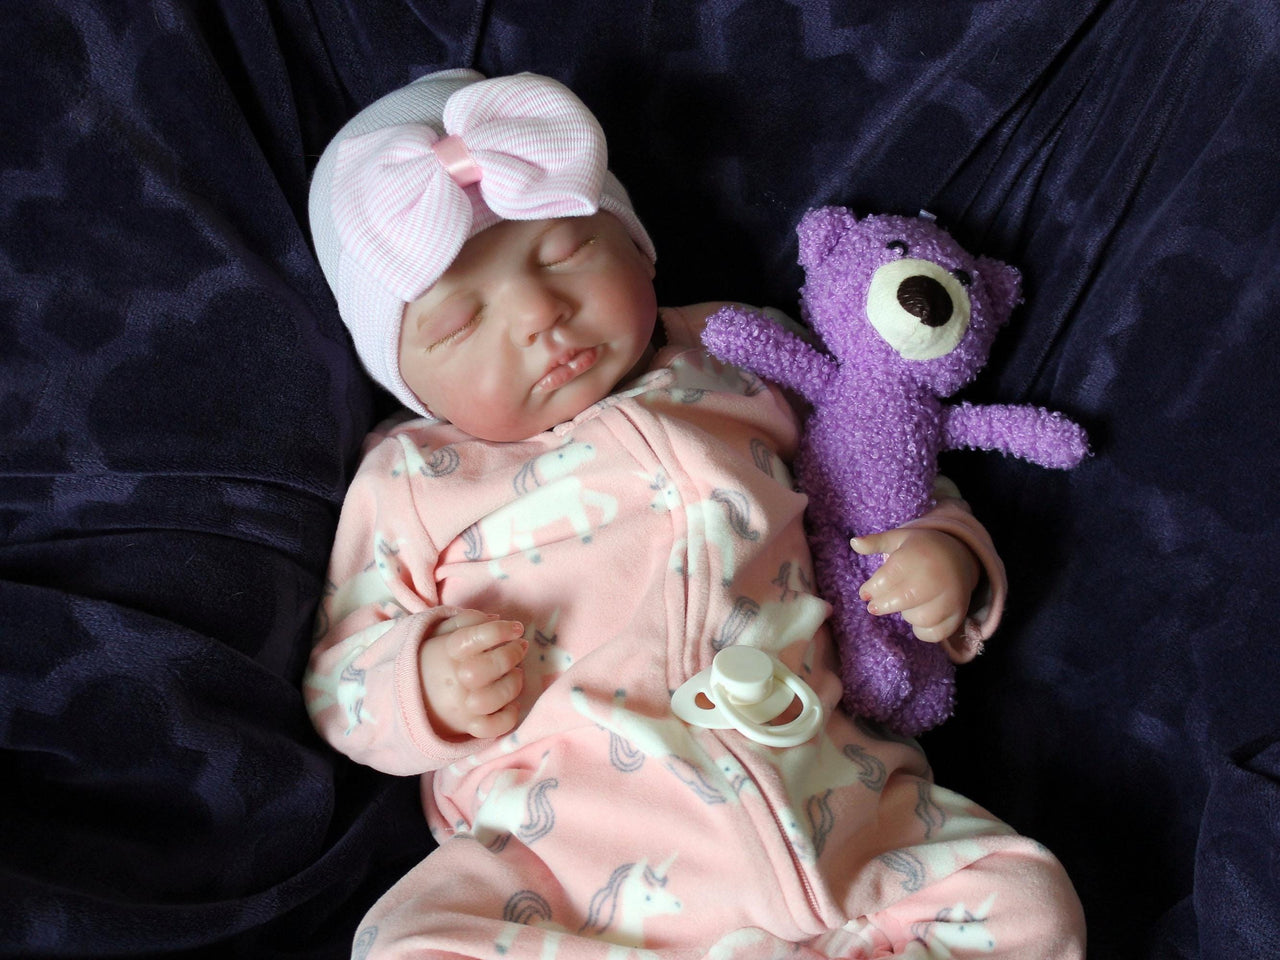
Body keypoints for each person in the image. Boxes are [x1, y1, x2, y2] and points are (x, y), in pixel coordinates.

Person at [304, 69, 1085, 960]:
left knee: (1029, 901)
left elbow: (882, 481)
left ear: (639, 247)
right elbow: (340, 679)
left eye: (564, 253)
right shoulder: (415, 475)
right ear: (404, 374)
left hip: (836, 812)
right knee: (404, 944)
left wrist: (947, 559)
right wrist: (421, 683)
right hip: (568, 864)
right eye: (459, 322)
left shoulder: (743, 361)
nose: (540, 316)